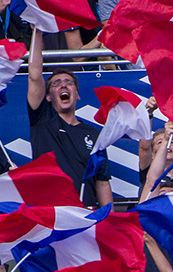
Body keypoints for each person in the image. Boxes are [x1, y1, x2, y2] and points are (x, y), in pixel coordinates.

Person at [26, 33, 111, 207]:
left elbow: (102, 181)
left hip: (83, 215)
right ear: (48, 97)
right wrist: (39, 28)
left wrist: (109, 222)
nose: (63, 85)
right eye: (56, 84)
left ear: (78, 95)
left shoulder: (94, 135)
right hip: (51, 214)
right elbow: (35, 74)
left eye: (69, 82)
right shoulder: (42, 120)